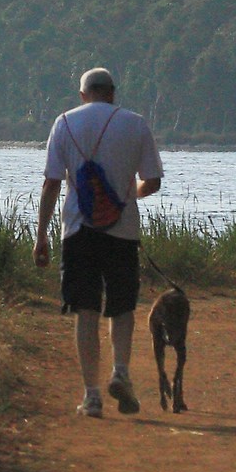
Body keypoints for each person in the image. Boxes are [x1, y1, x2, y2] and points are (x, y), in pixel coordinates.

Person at [35, 67, 164, 417]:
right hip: (122, 232)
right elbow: (152, 181)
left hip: (78, 232)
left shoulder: (64, 123)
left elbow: (51, 183)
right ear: (112, 93)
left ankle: (91, 396)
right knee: (122, 307)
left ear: (83, 95)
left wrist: (42, 234)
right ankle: (120, 372)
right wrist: (128, 195)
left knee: (85, 310)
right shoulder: (135, 123)